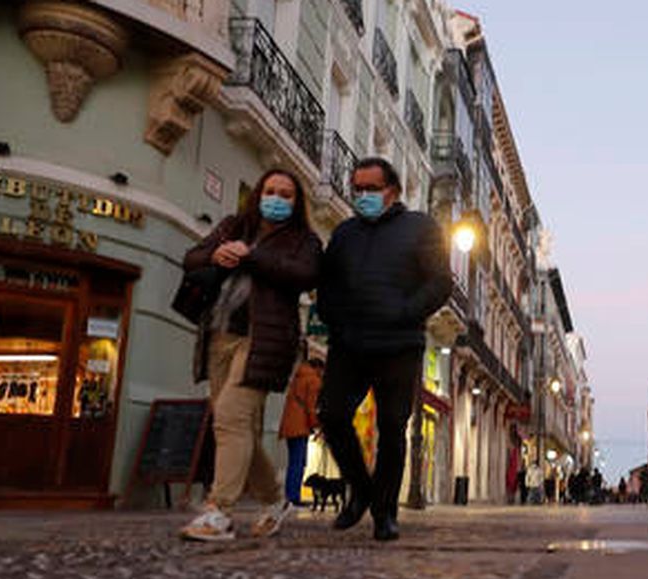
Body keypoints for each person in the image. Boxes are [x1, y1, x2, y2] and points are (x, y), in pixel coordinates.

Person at [178, 168, 321, 542]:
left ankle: (218, 511)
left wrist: (251, 257)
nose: (276, 198)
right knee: (238, 427)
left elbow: (305, 275)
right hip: (219, 334)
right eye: (270, 191)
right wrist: (217, 253)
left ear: (296, 201)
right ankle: (276, 500)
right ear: (258, 194)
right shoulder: (233, 224)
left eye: (286, 194)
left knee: (229, 417)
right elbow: (192, 257)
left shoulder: (303, 240)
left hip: (265, 340)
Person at [316, 157, 452, 541]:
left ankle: (384, 512)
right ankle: (360, 489)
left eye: (370, 189)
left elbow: (440, 282)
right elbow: (328, 283)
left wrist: (405, 312)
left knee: (393, 429)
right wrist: (333, 316)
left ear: (392, 191)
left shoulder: (420, 227)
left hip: (399, 344)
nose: (362, 195)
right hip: (349, 342)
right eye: (357, 188)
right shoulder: (344, 233)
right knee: (332, 414)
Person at [279, 353, 324, 507]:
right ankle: (293, 496)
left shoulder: (298, 377)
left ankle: (289, 495)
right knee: (299, 463)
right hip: (301, 426)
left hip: (289, 425)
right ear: (318, 368)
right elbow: (311, 408)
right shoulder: (313, 381)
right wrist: (317, 425)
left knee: (294, 462)